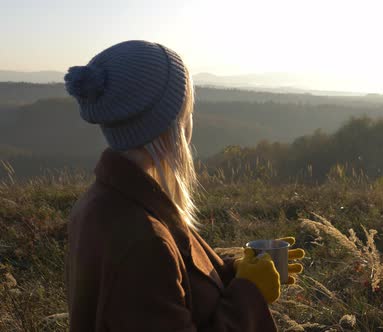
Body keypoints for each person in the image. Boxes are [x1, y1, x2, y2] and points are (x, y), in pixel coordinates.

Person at [64, 40, 304, 332]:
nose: (192, 120)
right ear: (173, 123)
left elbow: (171, 293)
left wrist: (232, 271)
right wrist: (250, 293)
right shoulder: (143, 241)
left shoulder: (108, 201)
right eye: (188, 110)